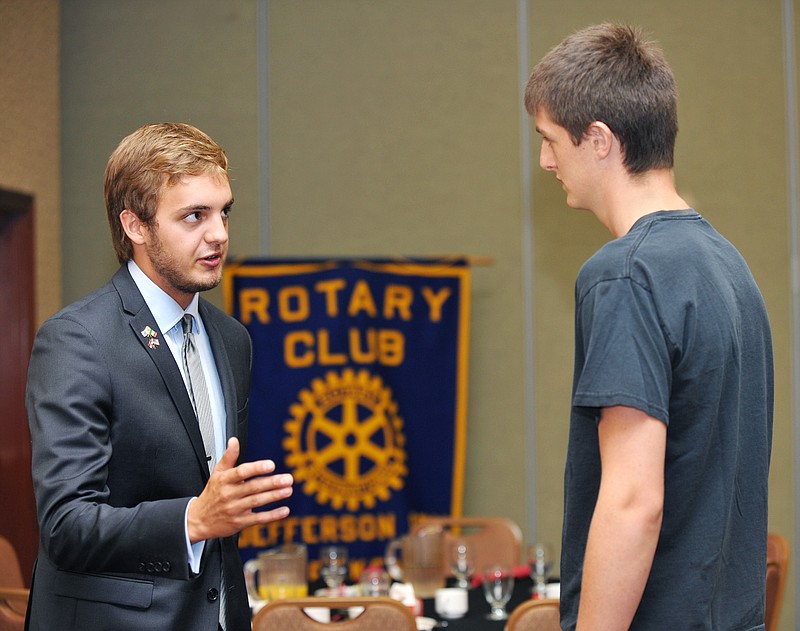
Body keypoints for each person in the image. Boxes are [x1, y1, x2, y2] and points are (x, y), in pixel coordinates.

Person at [525, 24, 773, 629]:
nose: (545, 160)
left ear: (600, 140)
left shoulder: (623, 275)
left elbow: (634, 502)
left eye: (550, 139)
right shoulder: (729, 266)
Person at [25, 122, 294, 631]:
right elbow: (66, 526)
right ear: (136, 227)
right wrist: (193, 519)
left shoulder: (232, 338)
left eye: (223, 212)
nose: (218, 234)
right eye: (194, 216)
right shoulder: (76, 340)